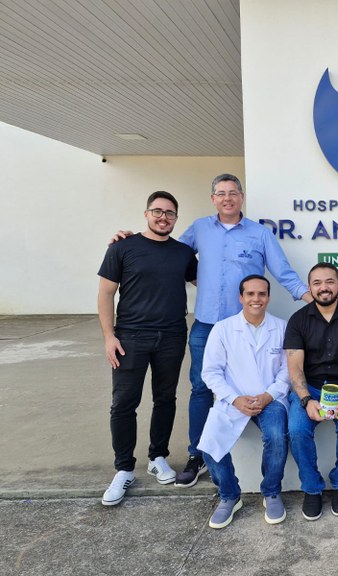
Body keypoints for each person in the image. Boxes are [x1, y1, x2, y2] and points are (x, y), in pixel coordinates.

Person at [112, 174, 311, 488]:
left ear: (241, 197)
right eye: (221, 193)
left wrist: (310, 298)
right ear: (213, 198)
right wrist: (130, 239)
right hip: (207, 326)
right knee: (201, 388)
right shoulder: (200, 229)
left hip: (246, 327)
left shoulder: (260, 234)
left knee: (257, 380)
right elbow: (166, 250)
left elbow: (283, 272)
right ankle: (198, 455)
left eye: (233, 193)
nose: (227, 198)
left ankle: (261, 446)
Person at [98, 191, 197, 506]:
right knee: (124, 403)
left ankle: (158, 457)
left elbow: (209, 282)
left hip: (171, 336)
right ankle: (124, 468)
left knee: (165, 399)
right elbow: (105, 295)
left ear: (176, 218)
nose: (163, 217)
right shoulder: (122, 248)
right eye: (157, 211)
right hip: (130, 337)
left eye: (170, 213)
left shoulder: (183, 253)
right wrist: (108, 336)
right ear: (146, 214)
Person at [196, 274, 290, 529]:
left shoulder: (281, 327)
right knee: (209, 443)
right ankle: (229, 495)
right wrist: (235, 399)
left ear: (268, 297)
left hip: (271, 398)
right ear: (241, 297)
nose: (256, 299)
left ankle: (271, 492)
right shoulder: (223, 329)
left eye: (261, 294)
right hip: (232, 399)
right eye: (250, 294)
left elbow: (288, 370)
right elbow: (211, 372)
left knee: (277, 436)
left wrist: (269, 395)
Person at [284, 263, 338, 521]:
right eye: (317, 283)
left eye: (330, 282)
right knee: (297, 430)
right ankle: (312, 488)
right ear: (310, 288)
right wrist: (306, 399)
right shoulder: (298, 320)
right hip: (310, 387)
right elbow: (294, 367)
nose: (324, 287)